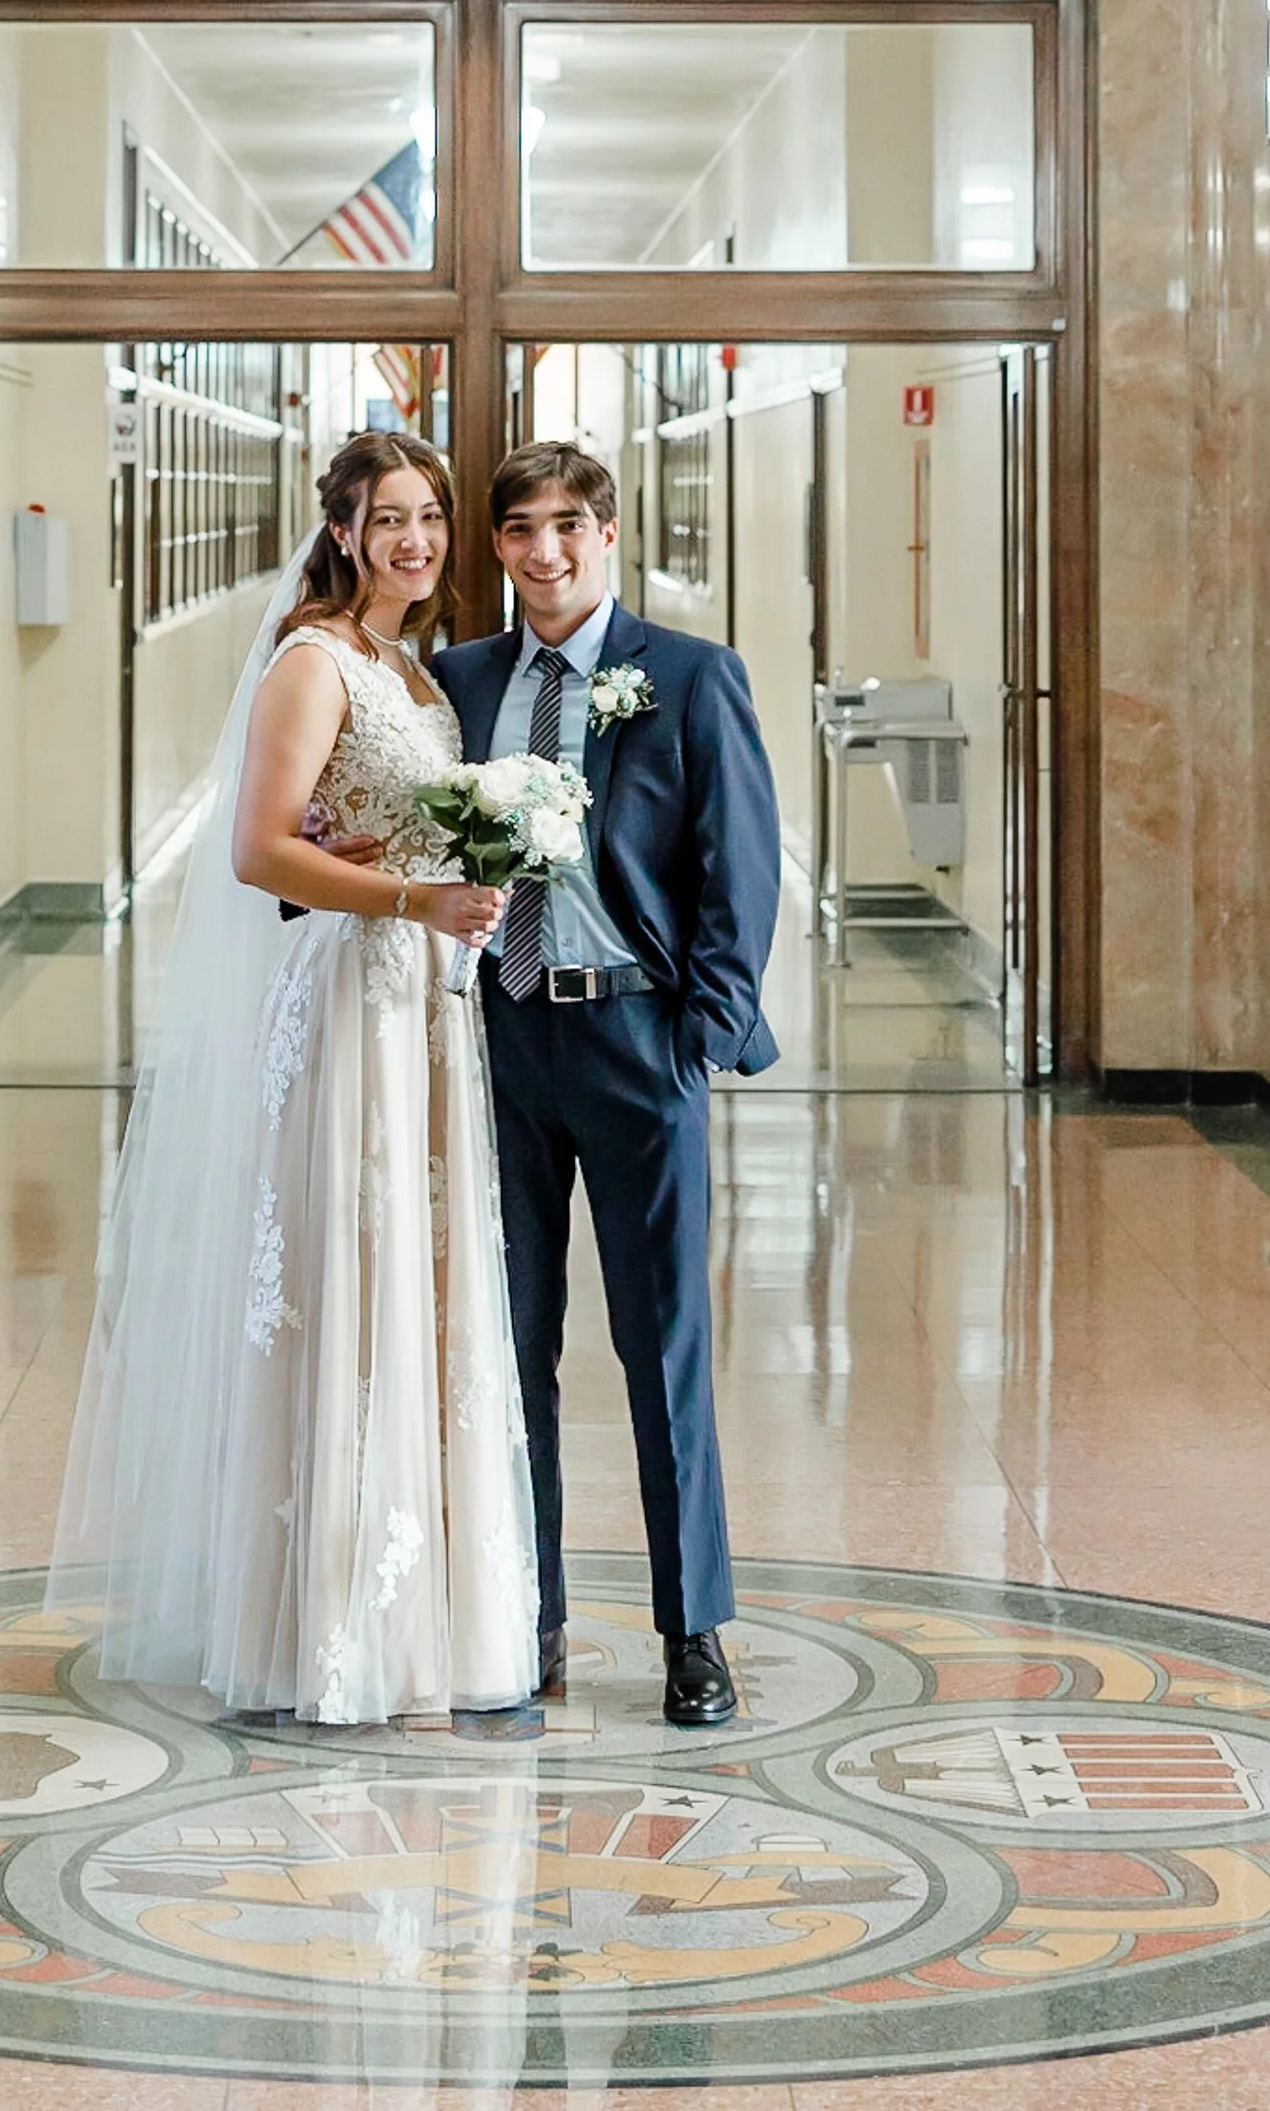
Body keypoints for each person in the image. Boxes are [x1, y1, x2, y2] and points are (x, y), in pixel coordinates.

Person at [49, 429, 540, 1729]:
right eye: (387, 518)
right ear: (340, 532)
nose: (414, 541)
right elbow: (260, 852)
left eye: (430, 517)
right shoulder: (313, 664)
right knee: (346, 1278)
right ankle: (323, 1626)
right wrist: (411, 896)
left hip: (423, 1010)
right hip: (346, 1006)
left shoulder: (417, 676)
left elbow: (391, 821)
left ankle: (427, 1619)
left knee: (417, 1287)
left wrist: (458, 881)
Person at [433, 440, 782, 1732]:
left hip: (638, 1042)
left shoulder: (687, 677)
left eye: (568, 525)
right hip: (501, 1047)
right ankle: (525, 1613)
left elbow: (741, 867)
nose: (545, 551)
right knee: (509, 1345)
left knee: (660, 1345)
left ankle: (693, 1629)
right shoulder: (459, 680)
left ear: (610, 534)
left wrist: (702, 1034)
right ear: (497, 548)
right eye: (520, 528)